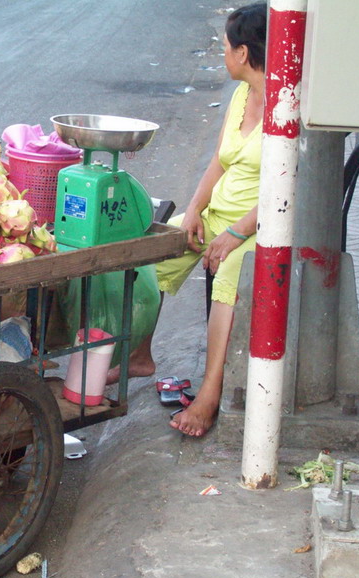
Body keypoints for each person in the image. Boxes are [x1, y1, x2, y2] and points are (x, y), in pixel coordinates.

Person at [108, 2, 268, 437]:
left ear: (244, 52)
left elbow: (286, 189)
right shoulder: (240, 96)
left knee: (230, 278)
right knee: (153, 254)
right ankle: (139, 356)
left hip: (261, 227)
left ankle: (209, 395)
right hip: (219, 215)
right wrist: (195, 210)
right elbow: (218, 163)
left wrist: (234, 235)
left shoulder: (287, 105)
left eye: (226, 47)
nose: (224, 54)